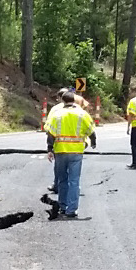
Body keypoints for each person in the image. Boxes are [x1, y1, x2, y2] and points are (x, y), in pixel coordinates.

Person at [44, 89, 95, 219]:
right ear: (74, 101)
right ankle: (71, 210)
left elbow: (51, 133)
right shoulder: (82, 114)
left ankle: (62, 206)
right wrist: (93, 142)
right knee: (74, 181)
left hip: (60, 151)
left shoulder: (57, 114)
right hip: (76, 152)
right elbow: (91, 130)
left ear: (62, 101)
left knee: (62, 180)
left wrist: (50, 149)